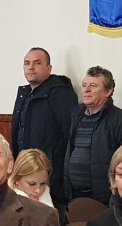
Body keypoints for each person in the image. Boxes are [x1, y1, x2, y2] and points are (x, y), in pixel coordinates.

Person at [63, 66, 122, 204]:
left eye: (93, 86)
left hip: (104, 199)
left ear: (108, 91)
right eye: (84, 85)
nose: (86, 90)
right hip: (75, 197)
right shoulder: (77, 117)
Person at [10, 47, 75, 199]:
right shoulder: (24, 94)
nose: (30, 67)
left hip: (51, 173)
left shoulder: (60, 93)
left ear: (48, 68)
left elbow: (70, 134)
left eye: (37, 63)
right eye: (27, 63)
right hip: (25, 169)